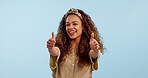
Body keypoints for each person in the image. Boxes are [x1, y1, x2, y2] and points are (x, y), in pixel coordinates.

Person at [47, 8, 104, 78]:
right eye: (67, 24)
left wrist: (95, 49)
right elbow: (55, 52)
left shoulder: (90, 46)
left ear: (83, 26)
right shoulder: (60, 44)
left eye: (75, 24)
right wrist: (51, 48)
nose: (70, 27)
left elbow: (94, 55)